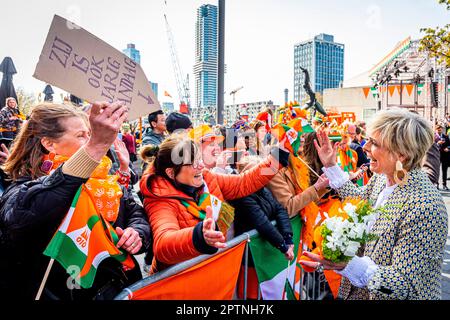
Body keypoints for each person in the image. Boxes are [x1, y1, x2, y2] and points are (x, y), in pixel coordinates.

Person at [0, 102, 152, 300]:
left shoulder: (104, 179)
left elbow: (134, 212)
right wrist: (95, 147)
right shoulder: (24, 185)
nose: (90, 140)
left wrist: (137, 233)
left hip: (116, 288)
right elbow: (25, 215)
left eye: (91, 134)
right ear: (49, 143)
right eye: (82, 135)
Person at [302, 108, 448, 300]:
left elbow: (404, 286)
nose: (364, 147)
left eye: (374, 143)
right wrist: (331, 166)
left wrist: (347, 265)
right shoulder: (384, 177)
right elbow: (361, 201)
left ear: (401, 154)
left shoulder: (426, 207)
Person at [139, 133, 291, 274]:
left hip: (215, 273)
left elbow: (244, 182)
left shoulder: (207, 177)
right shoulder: (159, 196)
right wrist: (198, 236)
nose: (200, 166)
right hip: (183, 283)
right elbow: (162, 244)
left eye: (199, 159)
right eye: (192, 163)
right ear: (171, 172)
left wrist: (278, 156)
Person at [229, 156, 294, 299]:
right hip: (251, 255)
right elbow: (261, 222)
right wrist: (283, 246)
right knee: (251, 295)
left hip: (265, 252)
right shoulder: (243, 195)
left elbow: (280, 210)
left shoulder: (263, 189)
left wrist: (288, 237)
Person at [436, 125, 450, 190]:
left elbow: (449, 145)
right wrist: (437, 143)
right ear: (436, 130)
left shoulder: (446, 136)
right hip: (436, 156)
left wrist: (448, 148)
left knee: (444, 170)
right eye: (438, 130)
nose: (439, 131)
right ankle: (436, 184)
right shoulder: (433, 137)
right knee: (437, 170)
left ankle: (444, 184)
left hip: (445, 156)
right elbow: (430, 145)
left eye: (440, 129)